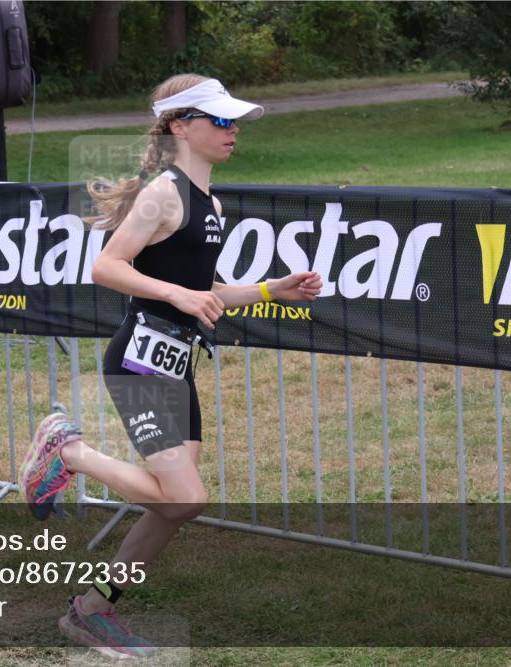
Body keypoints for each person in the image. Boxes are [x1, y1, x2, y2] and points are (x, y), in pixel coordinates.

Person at [19, 73, 323, 659]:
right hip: (139, 363)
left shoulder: (210, 199)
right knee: (183, 499)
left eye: (235, 121)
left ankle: (92, 609)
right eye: (221, 121)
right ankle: (68, 451)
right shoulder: (164, 192)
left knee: (169, 505)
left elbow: (200, 287)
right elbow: (107, 267)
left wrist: (271, 289)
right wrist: (180, 297)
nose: (233, 131)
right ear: (181, 125)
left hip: (172, 364)